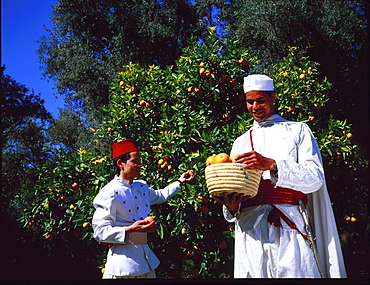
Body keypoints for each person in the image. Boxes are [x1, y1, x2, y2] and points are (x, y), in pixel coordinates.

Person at [211, 74, 347, 278]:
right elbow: (237, 185)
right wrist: (231, 207)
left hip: (288, 226)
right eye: (250, 101)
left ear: (273, 97)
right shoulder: (240, 142)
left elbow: (315, 177)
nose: (255, 107)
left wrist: (272, 165)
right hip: (251, 231)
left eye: (261, 101)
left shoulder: (298, 130)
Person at [92, 139, 194, 279]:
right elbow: (100, 232)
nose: (140, 165)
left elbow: (160, 195)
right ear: (120, 163)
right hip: (122, 263)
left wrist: (180, 181)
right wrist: (130, 229)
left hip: (145, 259)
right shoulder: (109, 192)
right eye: (135, 161)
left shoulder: (141, 187)